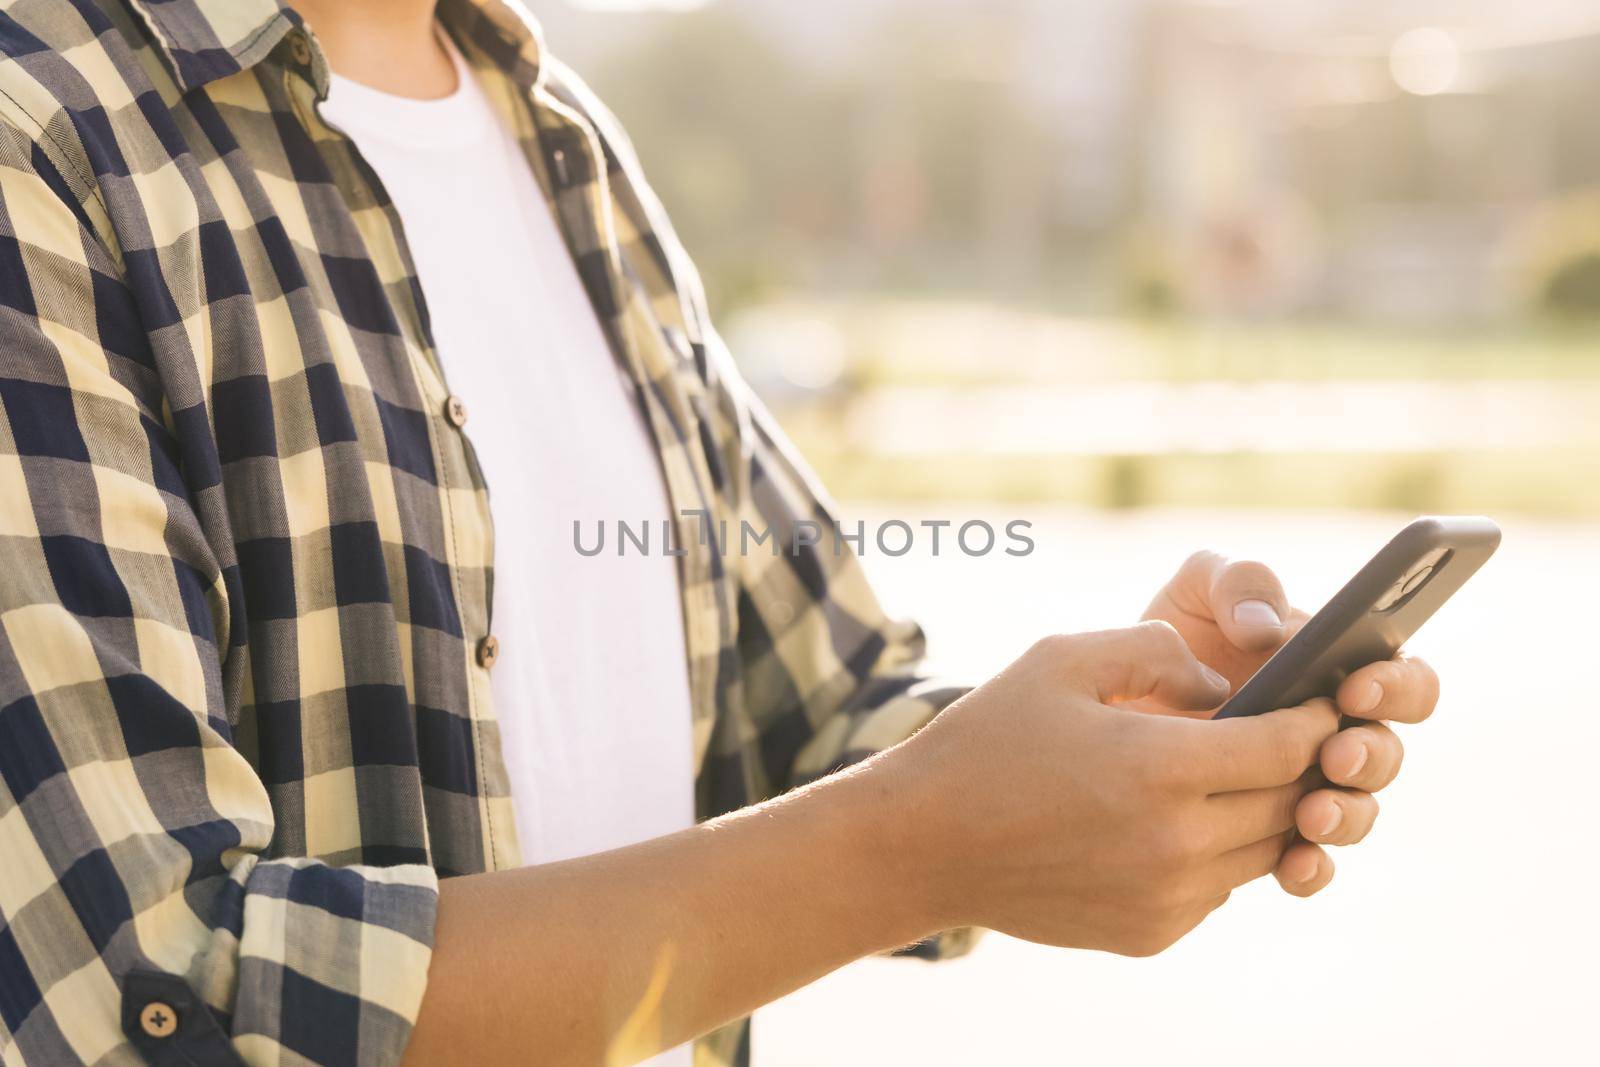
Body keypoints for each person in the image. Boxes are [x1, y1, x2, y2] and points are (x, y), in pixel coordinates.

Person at [0, 1, 1439, 1065]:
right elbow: (149, 989)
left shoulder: (552, 131)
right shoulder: (40, 131)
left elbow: (820, 715)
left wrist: (1128, 728)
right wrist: (928, 840)